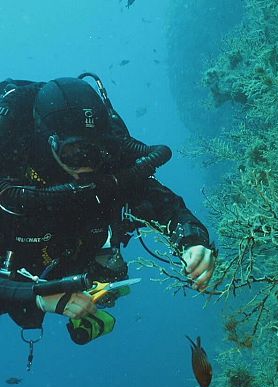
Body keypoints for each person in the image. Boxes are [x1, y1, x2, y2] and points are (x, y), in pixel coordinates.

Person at [0, 73, 216, 334]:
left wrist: (192, 239)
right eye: (73, 153)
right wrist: (35, 296)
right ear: (48, 142)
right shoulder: (11, 174)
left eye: (94, 152)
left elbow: (158, 200)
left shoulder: (109, 158)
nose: (86, 165)